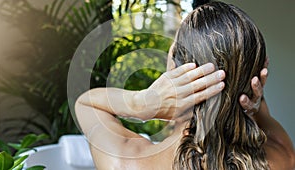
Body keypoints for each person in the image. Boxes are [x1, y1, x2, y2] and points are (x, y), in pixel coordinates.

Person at [75, 1, 295, 170]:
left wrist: (142, 103)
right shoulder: (281, 157)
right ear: (254, 80)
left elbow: (86, 104)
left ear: (176, 70)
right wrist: (252, 102)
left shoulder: (130, 162)